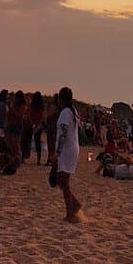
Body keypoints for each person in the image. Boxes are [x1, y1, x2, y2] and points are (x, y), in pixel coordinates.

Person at [55, 85, 83, 223]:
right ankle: (75, 204)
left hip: (67, 150)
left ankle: (70, 213)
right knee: (61, 181)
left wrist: (58, 152)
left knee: (64, 182)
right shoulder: (72, 111)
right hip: (71, 148)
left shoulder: (66, 112)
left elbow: (63, 133)